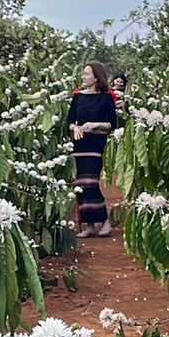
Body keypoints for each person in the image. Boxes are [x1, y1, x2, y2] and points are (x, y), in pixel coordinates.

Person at [66, 60, 118, 237]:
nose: (83, 76)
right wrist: (76, 128)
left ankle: (104, 221)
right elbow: (70, 121)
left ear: (96, 77)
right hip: (79, 144)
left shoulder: (106, 98)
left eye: (86, 73)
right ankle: (88, 225)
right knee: (80, 184)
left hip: (96, 144)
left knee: (91, 182)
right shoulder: (78, 97)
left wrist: (94, 125)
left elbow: (112, 124)